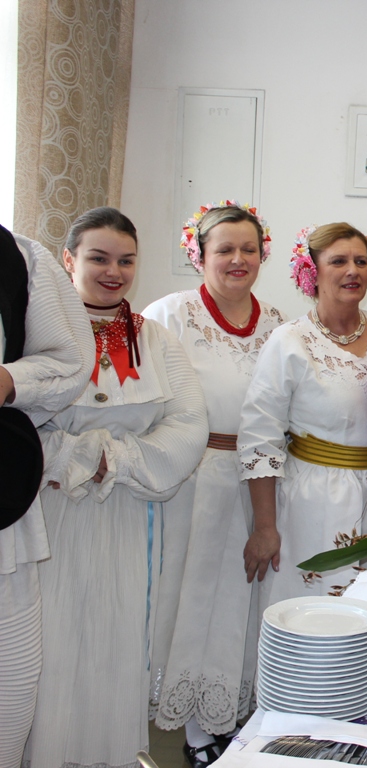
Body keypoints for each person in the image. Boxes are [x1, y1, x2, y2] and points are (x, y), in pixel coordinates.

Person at [26, 208, 208, 768]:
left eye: (126, 260)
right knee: (50, 642)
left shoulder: (157, 340)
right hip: (51, 510)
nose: (114, 272)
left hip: (129, 511)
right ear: (68, 260)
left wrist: (118, 461)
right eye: (99, 258)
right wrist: (77, 458)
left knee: (116, 637)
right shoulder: (37, 335)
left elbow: (188, 424)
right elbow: (18, 424)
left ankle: (107, 756)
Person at [144, 202, 285, 766]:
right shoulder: (169, 314)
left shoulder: (279, 324)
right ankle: (192, 728)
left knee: (243, 600)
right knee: (190, 596)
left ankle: (230, 715)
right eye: (224, 249)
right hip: (191, 478)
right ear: (198, 254)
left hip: (260, 481)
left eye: (248, 248)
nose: (237, 259)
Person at [238, 223, 367, 604]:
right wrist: (265, 527)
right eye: (338, 261)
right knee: (312, 614)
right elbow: (259, 436)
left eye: (361, 261)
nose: (352, 270)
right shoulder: (290, 341)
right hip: (313, 502)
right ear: (311, 272)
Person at [0, 225, 94, 768]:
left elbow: (68, 359)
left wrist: (9, 379)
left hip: (1, 514)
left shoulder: (18, 256)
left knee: (10, 681)